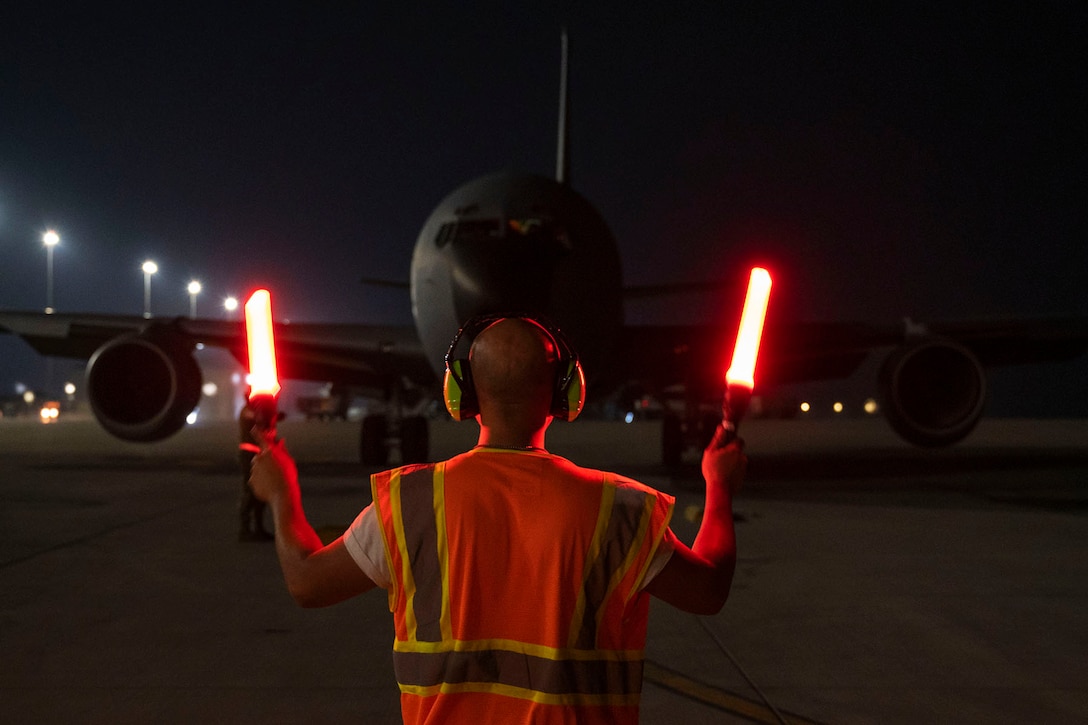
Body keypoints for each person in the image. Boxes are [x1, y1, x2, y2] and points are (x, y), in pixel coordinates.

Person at [249, 316, 746, 723]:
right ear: (564, 394)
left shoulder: (408, 502)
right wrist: (719, 488)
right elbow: (710, 590)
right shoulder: (617, 509)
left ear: (460, 393)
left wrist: (281, 494)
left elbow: (306, 583)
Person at [237, 389, 273, 541]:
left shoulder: (253, 411)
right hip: (248, 456)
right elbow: (258, 421)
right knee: (250, 491)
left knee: (259, 493)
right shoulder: (248, 411)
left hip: (257, 454)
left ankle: (258, 528)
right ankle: (244, 529)